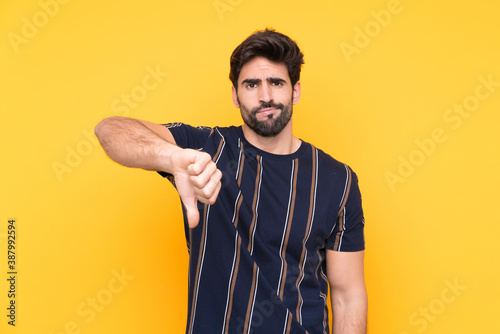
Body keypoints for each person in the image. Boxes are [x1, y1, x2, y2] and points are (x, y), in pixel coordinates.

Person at [95, 28, 367, 334]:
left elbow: (348, 296)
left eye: (276, 82)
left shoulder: (337, 179)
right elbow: (111, 130)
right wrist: (169, 157)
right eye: (251, 84)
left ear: (295, 91)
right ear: (235, 96)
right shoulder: (206, 149)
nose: (265, 96)